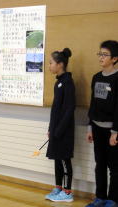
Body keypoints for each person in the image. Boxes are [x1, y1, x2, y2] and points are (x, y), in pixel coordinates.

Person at [86, 40, 118, 207]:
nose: (101, 57)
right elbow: (92, 104)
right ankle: (100, 197)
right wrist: (90, 127)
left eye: (105, 54)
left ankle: (113, 200)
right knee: (100, 165)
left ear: (114, 58)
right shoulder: (96, 77)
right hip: (97, 128)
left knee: (114, 167)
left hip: (112, 131)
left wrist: (115, 131)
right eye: (100, 54)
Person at [45, 48, 75, 202]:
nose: (49, 65)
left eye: (51, 63)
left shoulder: (68, 82)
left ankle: (67, 192)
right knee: (57, 159)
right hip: (56, 130)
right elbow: (55, 110)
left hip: (64, 132)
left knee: (64, 160)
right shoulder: (58, 83)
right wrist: (51, 128)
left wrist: (59, 130)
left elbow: (69, 109)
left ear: (60, 64)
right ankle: (58, 187)